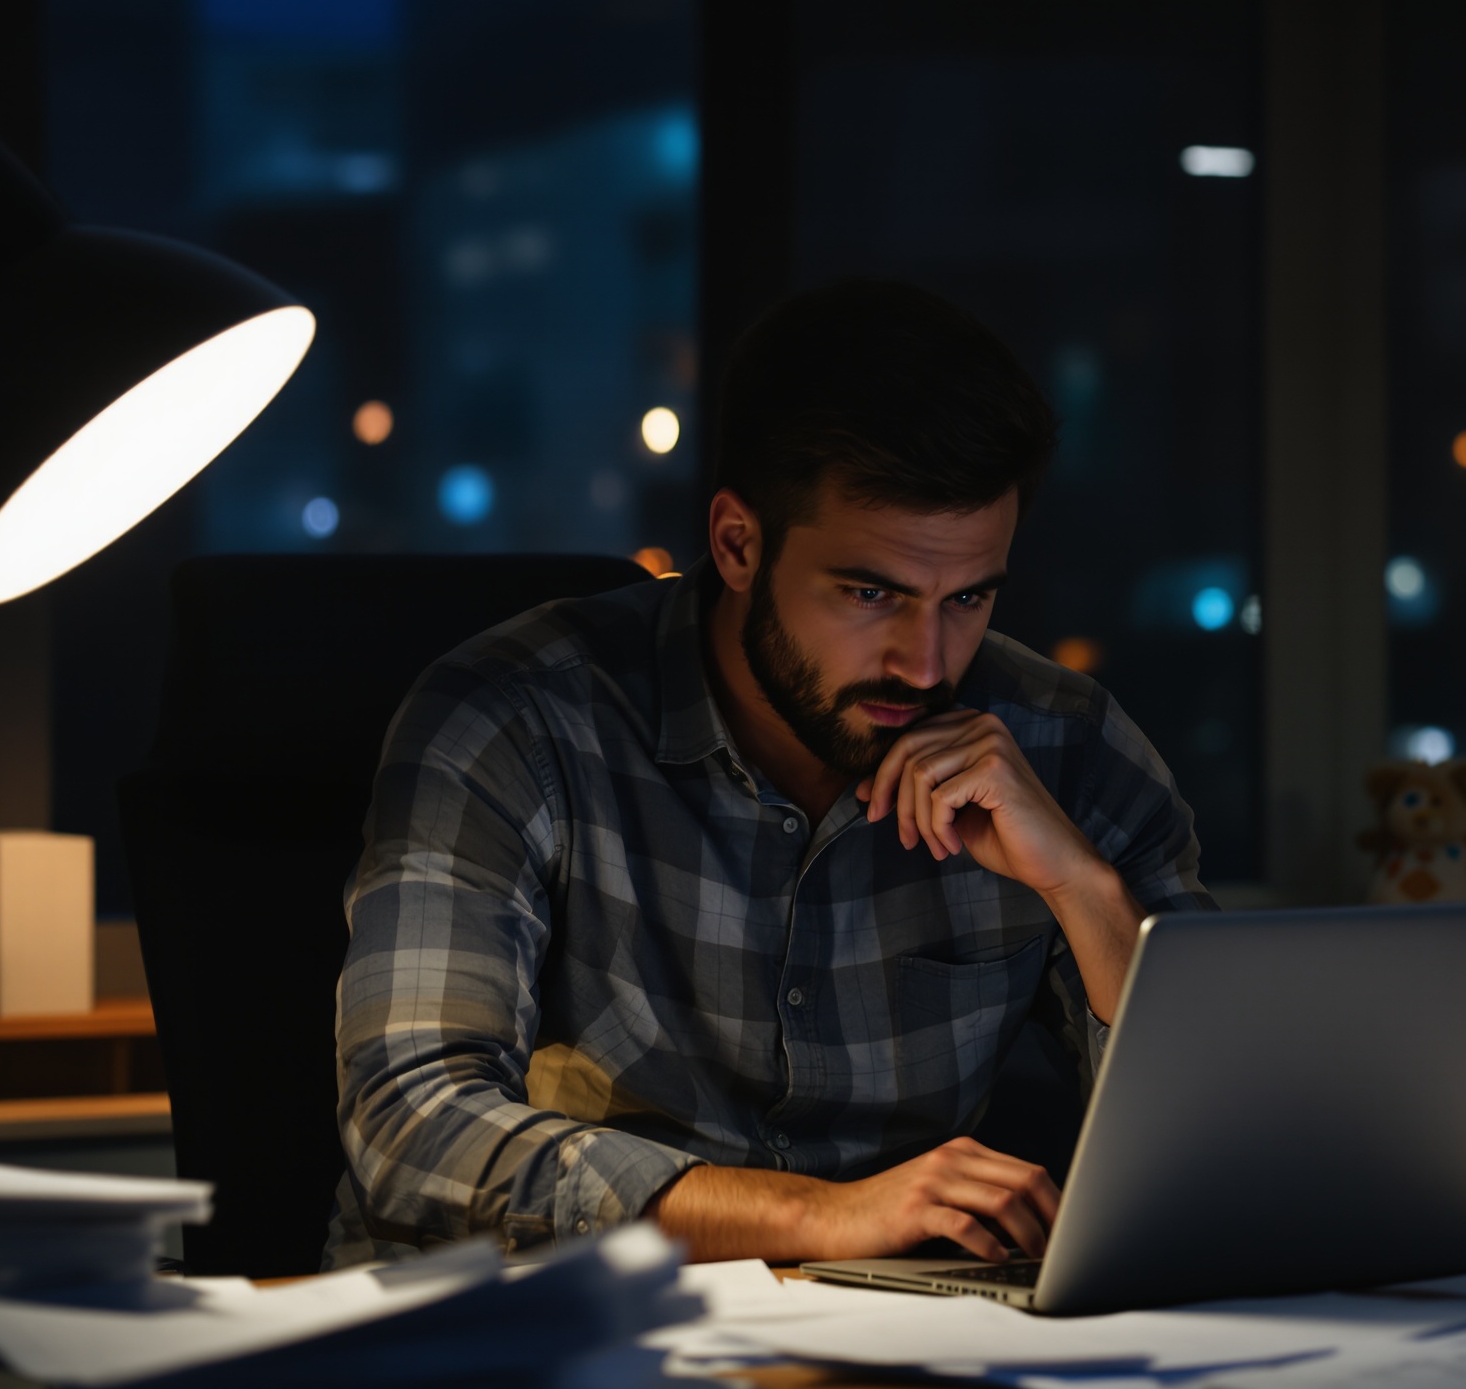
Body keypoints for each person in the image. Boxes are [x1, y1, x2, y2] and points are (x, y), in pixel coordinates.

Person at [326, 280, 1212, 1269]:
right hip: (531, 1343)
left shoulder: (1063, 742)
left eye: (966, 595)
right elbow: (411, 1125)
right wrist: (819, 1215)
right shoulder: (518, 717)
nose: (926, 662)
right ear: (739, 543)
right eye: (870, 591)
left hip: (883, 1357)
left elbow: (1229, 1143)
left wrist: (1085, 892)